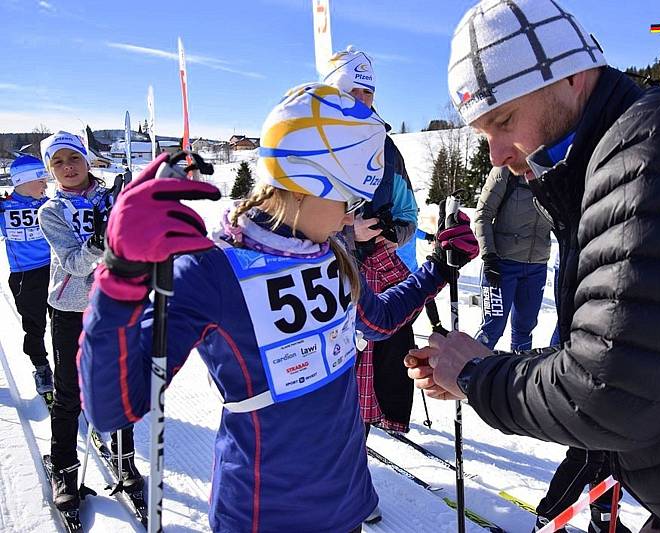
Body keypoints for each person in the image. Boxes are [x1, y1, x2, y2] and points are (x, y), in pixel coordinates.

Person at [407, 1, 660, 532]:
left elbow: (612, 395)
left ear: (570, 75)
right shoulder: (597, 166)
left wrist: (476, 374)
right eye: (483, 135)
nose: (497, 153)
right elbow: (632, 347)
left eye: (503, 120)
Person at [78, 83, 478, 533]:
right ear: (307, 183)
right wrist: (119, 281)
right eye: (347, 199)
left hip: (347, 503)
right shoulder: (213, 270)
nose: (351, 215)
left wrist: (439, 269)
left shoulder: (333, 251)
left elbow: (377, 321)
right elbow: (114, 406)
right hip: (263, 515)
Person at [38, 131, 142, 511]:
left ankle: (124, 462)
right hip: (71, 309)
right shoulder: (51, 211)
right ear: (51, 169)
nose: (68, 167)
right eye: (58, 162)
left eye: (73, 158)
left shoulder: (114, 196)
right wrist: (100, 239)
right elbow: (73, 262)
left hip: (116, 303)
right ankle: (64, 470)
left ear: (86, 159)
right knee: (69, 395)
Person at [323, 47, 422, 435]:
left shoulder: (385, 147)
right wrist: (347, 230)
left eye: (369, 94)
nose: (363, 101)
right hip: (320, 276)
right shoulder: (310, 141)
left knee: (369, 377)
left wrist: (391, 233)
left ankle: (354, 463)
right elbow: (289, 219)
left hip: (370, 277)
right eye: (354, 92)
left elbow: (408, 214)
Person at [474, 166, 550, 351]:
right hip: (501, 264)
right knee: (491, 329)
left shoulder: (552, 170)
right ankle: (470, 374)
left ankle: (519, 376)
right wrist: (489, 256)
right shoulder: (505, 171)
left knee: (525, 329)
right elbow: (483, 215)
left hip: (537, 266)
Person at [0, 155, 53, 402]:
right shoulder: (4, 208)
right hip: (24, 277)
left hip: (55, 270)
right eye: (40, 180)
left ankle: (71, 368)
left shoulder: (50, 205)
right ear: (24, 181)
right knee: (34, 325)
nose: (44, 185)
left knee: (65, 323)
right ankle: (41, 367)